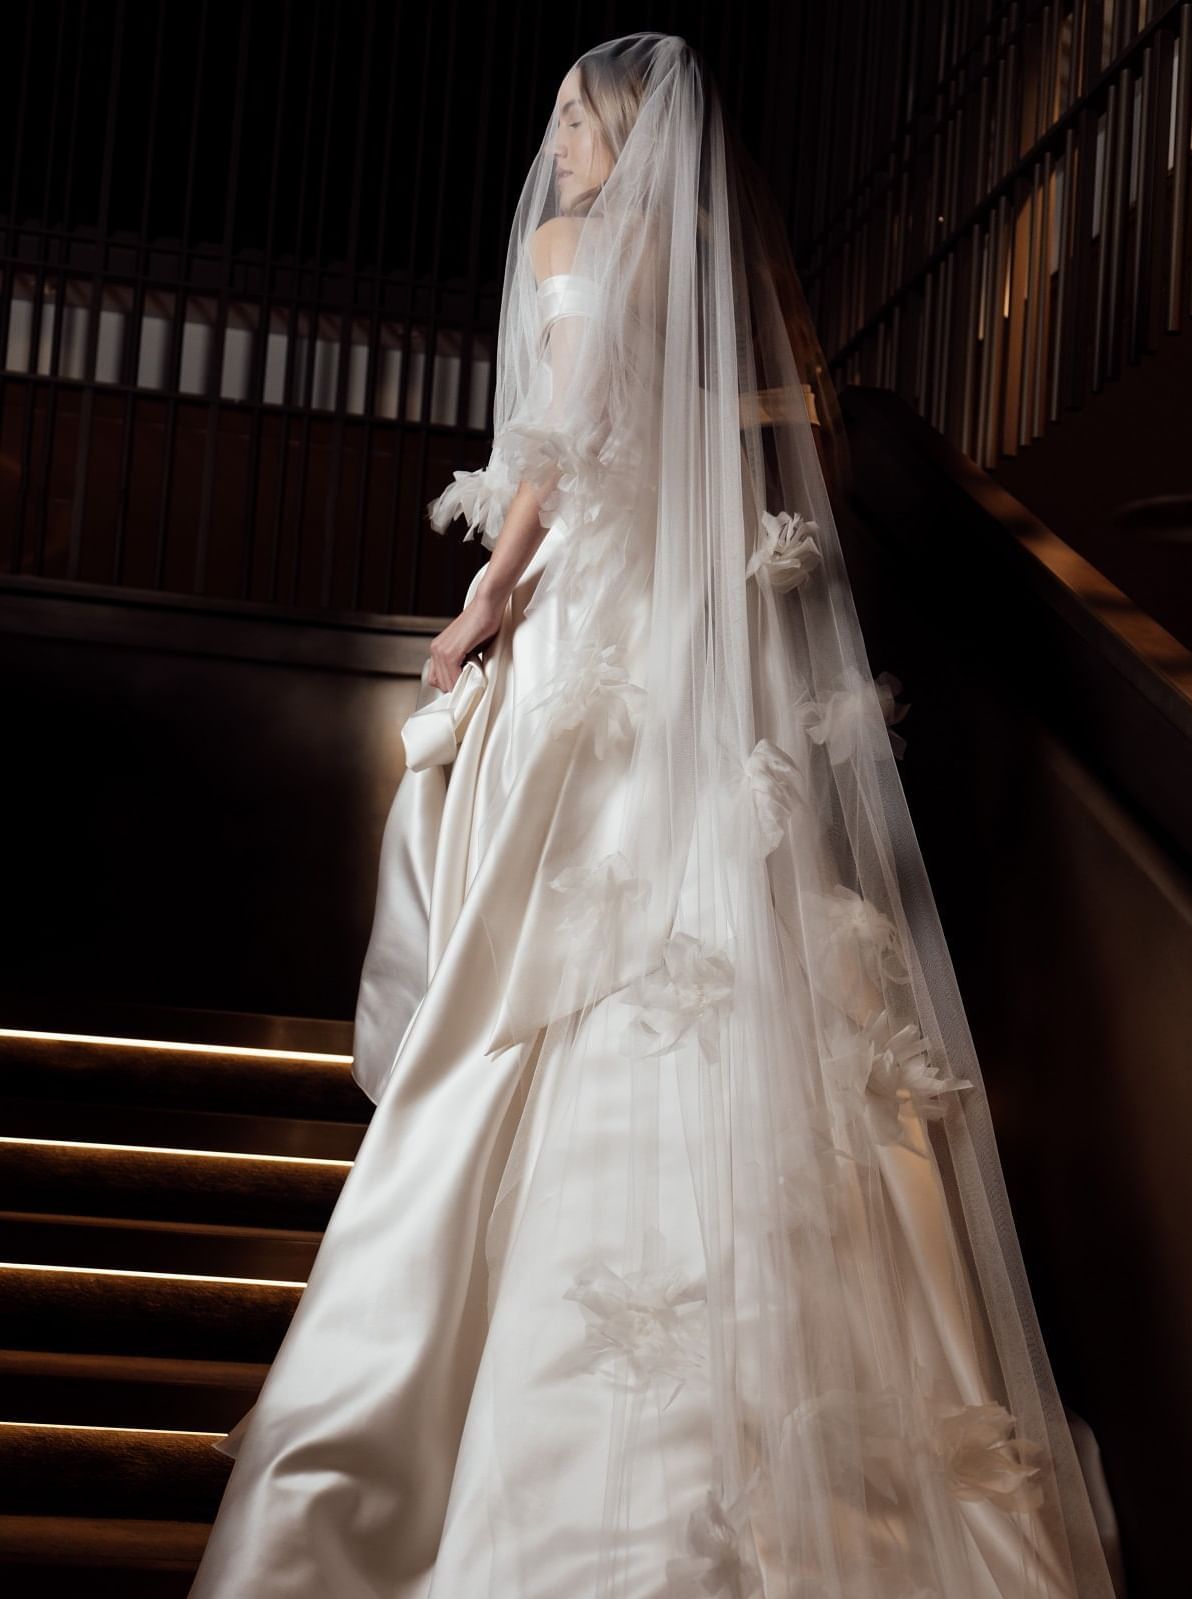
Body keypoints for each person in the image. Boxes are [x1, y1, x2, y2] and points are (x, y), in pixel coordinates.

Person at [187, 32, 1121, 1599]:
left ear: (626, 128)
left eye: (571, 114)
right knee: (717, 930)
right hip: (699, 635)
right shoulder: (718, 276)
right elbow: (777, 432)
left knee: (563, 952)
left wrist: (484, 593)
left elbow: (554, 447)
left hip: (590, 612)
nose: (555, 146)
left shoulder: (574, 248)